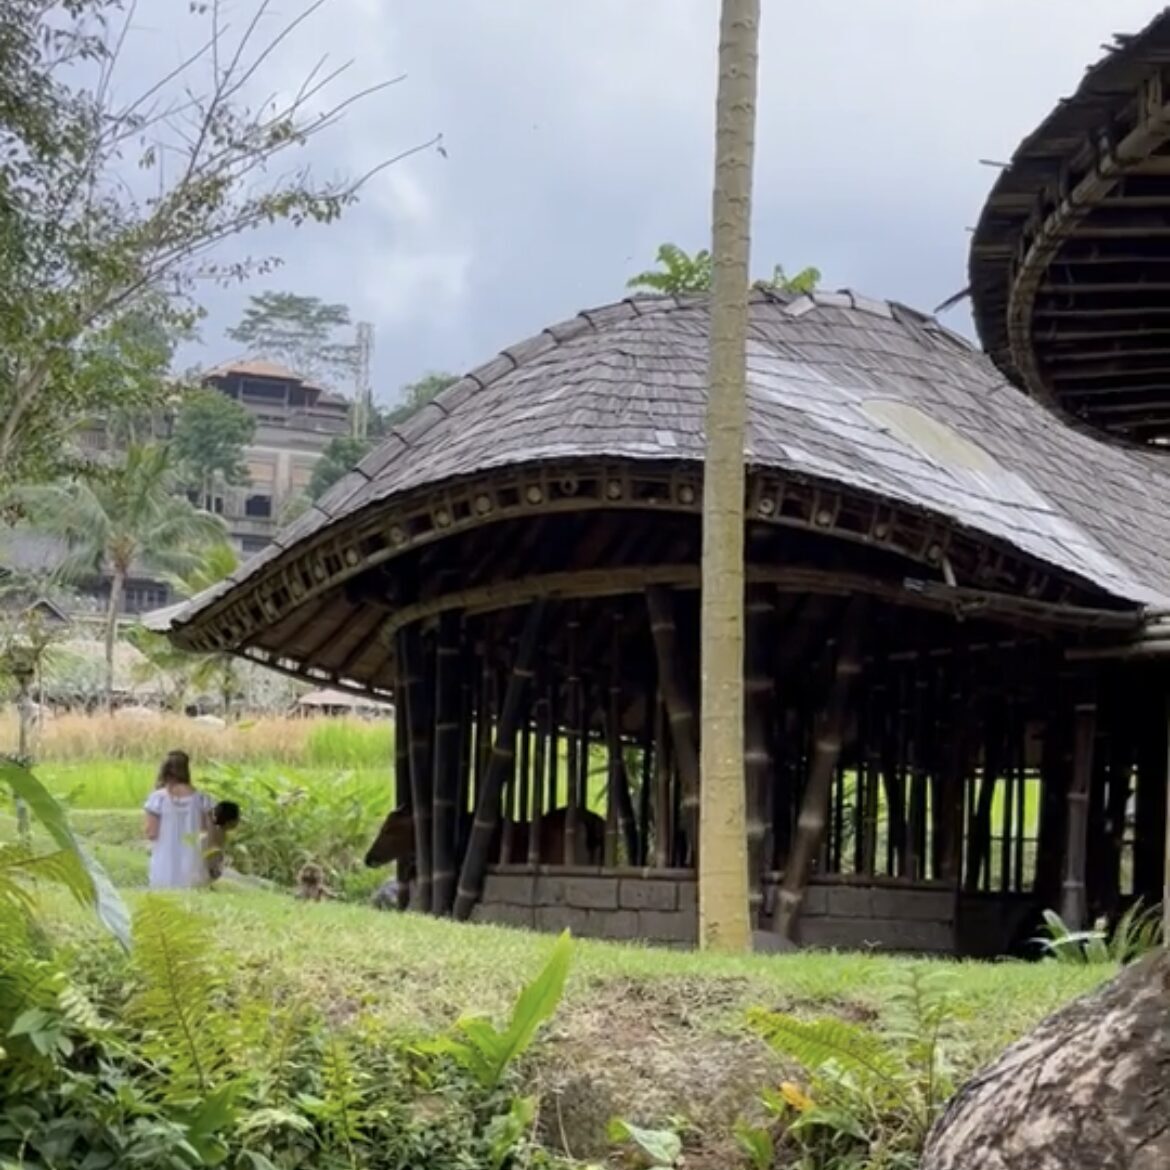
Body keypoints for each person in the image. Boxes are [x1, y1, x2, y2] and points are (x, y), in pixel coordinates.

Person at [143, 750, 212, 890]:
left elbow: (151, 832)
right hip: (193, 861)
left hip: (165, 862)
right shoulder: (202, 799)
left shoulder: (158, 798)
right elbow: (206, 831)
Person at [205, 800, 240, 882]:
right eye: (238, 818)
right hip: (210, 868)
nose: (239, 821)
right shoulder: (218, 832)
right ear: (230, 821)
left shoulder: (217, 829)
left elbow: (209, 815)